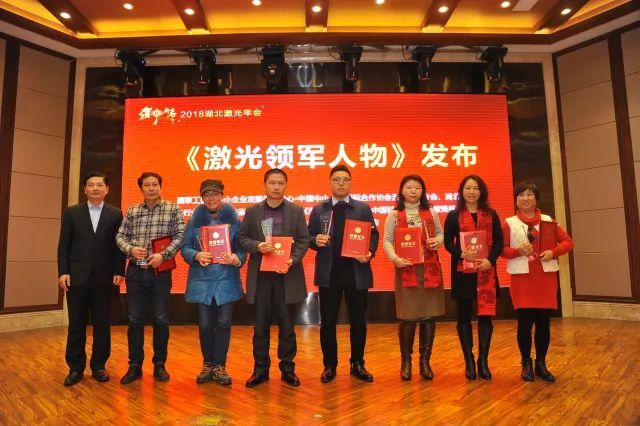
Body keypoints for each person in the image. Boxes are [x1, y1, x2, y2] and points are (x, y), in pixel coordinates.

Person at [308, 164, 379, 383]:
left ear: (350, 183)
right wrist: (315, 240)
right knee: (328, 322)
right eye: (336, 179)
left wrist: (370, 252)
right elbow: (308, 237)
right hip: (329, 274)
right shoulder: (319, 209)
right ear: (330, 182)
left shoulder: (362, 209)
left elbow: (373, 235)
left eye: (345, 179)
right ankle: (329, 365)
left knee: (358, 321)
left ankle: (357, 363)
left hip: (356, 272)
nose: (341, 183)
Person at [238, 168, 310, 387]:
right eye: (272, 183)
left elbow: (303, 240)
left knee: (287, 326)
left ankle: (288, 369)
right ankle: (260, 370)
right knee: (260, 326)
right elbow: (242, 239)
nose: (276, 187)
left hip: (286, 275)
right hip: (261, 276)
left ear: (285, 185)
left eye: (280, 183)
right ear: (265, 185)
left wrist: (292, 259)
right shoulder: (252, 211)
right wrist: (258, 246)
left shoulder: (296, 211)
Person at [116, 171, 185, 384]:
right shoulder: (133, 210)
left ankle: (159, 364)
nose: (151, 188)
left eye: (155, 184)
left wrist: (163, 255)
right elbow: (120, 236)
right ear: (141, 188)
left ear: (160, 186)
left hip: (160, 271)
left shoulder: (172, 208)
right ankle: (134, 366)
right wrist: (130, 249)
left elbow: (181, 235)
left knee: (160, 319)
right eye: (147, 185)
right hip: (136, 271)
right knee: (135, 319)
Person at [57, 172, 125, 386]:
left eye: (99, 185)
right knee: (76, 324)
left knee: (102, 324)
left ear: (107, 189)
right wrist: (63, 271)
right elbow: (64, 245)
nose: (95, 188)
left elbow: (119, 246)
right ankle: (75, 368)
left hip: (104, 279)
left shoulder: (116, 214)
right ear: (84, 189)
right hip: (76, 278)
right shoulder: (72, 212)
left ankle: (99, 366)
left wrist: (119, 270)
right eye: (91, 185)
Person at [500, 182, 573, 382]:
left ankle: (541, 363)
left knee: (543, 324)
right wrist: (518, 251)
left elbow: (568, 242)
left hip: (545, 279)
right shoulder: (509, 223)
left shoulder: (549, 221)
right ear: (516, 199)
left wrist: (553, 252)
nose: (526, 198)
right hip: (522, 279)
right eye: (521, 195)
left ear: (536, 198)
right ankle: (526, 362)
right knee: (524, 324)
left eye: (530, 194)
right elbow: (501, 250)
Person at [181, 179, 245, 385]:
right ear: (202, 198)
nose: (211, 198)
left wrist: (237, 259)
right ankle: (207, 364)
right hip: (202, 280)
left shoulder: (235, 221)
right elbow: (185, 248)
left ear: (222, 195)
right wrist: (196, 255)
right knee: (205, 324)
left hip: (226, 279)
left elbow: (242, 249)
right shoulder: (194, 221)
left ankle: (220, 366)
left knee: (224, 323)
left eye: (215, 194)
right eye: (206, 195)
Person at [382, 175, 445, 381]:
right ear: (402, 190)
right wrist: (395, 258)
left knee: (428, 317)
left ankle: (425, 362)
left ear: (422, 191)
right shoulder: (393, 215)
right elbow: (387, 240)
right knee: (408, 317)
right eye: (409, 187)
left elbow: (441, 233)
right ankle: (406, 361)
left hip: (429, 269)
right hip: (406, 269)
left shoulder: (431, 212)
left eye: (417, 188)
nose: (413, 191)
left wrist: (438, 241)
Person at [444, 174, 503, 380]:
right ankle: (469, 360)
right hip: (463, 272)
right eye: (468, 188)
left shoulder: (491, 214)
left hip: (486, 270)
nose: (471, 192)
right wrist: (461, 253)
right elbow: (447, 243)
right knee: (463, 316)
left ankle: (483, 361)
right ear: (461, 191)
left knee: (485, 316)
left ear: (482, 191)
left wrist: (490, 260)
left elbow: (498, 241)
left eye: (476, 188)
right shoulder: (453, 215)